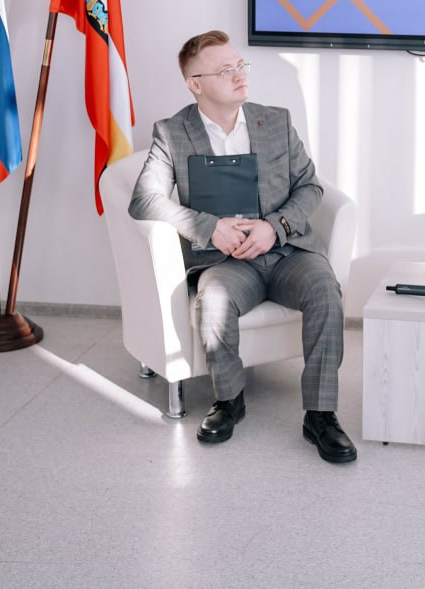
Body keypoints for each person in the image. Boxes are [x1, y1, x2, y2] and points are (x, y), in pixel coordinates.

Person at [128, 30, 356, 464]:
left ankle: (321, 415)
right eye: (225, 70)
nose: (239, 75)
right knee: (213, 302)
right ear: (195, 83)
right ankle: (229, 401)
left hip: (287, 253)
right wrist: (208, 228)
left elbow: (310, 187)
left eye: (240, 66)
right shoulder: (172, 133)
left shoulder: (276, 122)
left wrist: (275, 227)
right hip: (226, 262)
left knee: (325, 290)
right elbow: (144, 200)